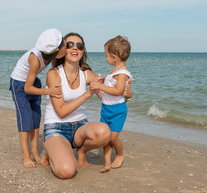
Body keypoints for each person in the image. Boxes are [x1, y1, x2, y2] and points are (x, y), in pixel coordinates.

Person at [42, 32, 132, 179]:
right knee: (66, 172)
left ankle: (81, 150)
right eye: (69, 44)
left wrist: (126, 94)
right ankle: (51, 148)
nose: (75, 48)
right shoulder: (54, 74)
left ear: (83, 51)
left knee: (105, 132)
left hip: (80, 128)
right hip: (57, 128)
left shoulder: (87, 74)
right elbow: (61, 112)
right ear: (63, 50)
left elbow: (108, 97)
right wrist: (87, 93)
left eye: (79, 45)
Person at [10, 28, 66, 168]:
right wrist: (49, 91)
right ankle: (25, 156)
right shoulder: (35, 59)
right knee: (25, 119)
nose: (67, 47)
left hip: (33, 81)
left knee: (35, 119)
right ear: (57, 51)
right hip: (20, 84)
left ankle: (35, 152)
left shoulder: (51, 56)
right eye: (65, 45)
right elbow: (27, 88)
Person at [90, 35, 132, 173]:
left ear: (114, 57)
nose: (105, 58)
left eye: (106, 55)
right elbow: (109, 92)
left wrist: (100, 87)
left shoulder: (123, 73)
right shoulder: (113, 71)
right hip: (106, 108)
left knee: (113, 138)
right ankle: (107, 163)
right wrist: (102, 84)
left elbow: (118, 91)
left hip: (117, 110)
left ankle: (119, 154)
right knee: (106, 138)